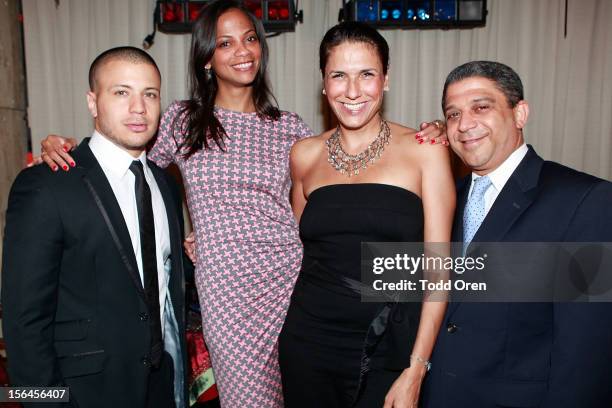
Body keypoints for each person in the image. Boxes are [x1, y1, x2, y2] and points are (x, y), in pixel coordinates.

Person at [35, 2, 445, 406]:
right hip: (228, 292)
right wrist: (74, 147)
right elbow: (128, 171)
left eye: (250, 39)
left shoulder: (291, 129)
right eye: (225, 43)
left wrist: (439, 130)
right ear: (207, 57)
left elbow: (316, 212)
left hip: (294, 283)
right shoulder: (182, 120)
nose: (242, 51)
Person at [278, 22, 455, 408]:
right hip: (309, 342)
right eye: (338, 75)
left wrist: (417, 368)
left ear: (386, 80)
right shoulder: (304, 154)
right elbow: (293, 251)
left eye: (366, 74)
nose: (353, 91)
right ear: (324, 84)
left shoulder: (426, 149)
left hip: (391, 346)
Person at [2, 47, 189, 408]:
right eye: (121, 93)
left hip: (161, 386)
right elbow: (23, 322)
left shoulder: (165, 185)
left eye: (149, 94)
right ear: (93, 102)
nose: (139, 108)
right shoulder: (47, 184)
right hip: (84, 394)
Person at [422, 61, 612, 407]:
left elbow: (587, 349)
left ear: (520, 113)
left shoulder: (585, 200)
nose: (464, 124)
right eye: (452, 114)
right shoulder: (444, 199)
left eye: (481, 107)